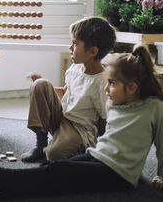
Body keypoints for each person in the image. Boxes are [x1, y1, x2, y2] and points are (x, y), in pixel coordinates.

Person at [0, 44, 163, 200]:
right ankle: (0, 188)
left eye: (111, 84)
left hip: (119, 174)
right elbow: (109, 141)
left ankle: (3, 182)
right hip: (97, 157)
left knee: (61, 172)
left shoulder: (153, 108)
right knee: (51, 169)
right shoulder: (116, 104)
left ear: (132, 88)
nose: (106, 90)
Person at [21, 16, 116, 162]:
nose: (70, 47)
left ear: (92, 52)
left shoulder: (101, 82)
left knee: (54, 154)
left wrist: (101, 151)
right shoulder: (76, 68)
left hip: (79, 130)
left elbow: (104, 120)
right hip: (62, 117)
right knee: (40, 84)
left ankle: (74, 149)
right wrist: (45, 87)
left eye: (75, 43)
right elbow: (65, 92)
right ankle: (41, 145)